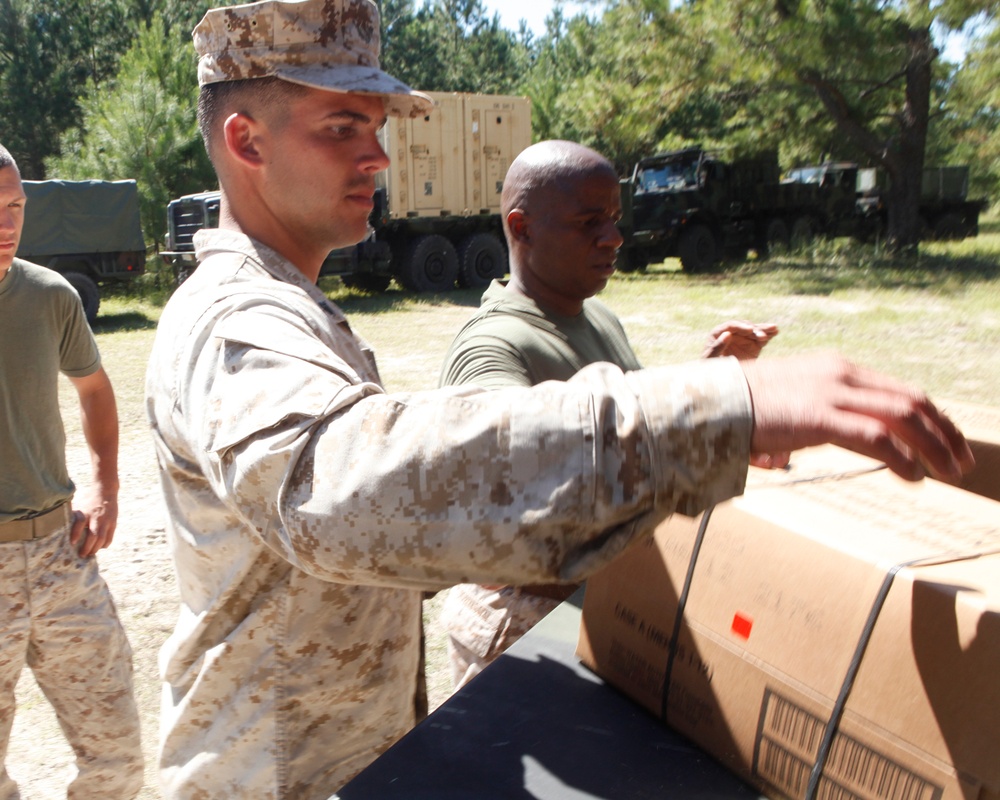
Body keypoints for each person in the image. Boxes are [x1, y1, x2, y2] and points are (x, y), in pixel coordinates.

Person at [144, 1, 972, 798]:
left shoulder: (285, 304)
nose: (379, 159)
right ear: (246, 141)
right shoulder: (236, 321)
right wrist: (717, 407)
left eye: (378, 127)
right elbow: (338, 491)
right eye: (341, 128)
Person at [437, 139, 781, 689]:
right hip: (524, 625)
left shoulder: (596, 315)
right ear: (522, 228)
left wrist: (705, 378)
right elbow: (501, 503)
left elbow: (628, 421)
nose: (615, 237)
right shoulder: (493, 348)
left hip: (598, 601)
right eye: (590, 221)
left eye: (616, 218)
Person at [0, 144, 143, 800]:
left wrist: (105, 490)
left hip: (62, 556)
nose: (7, 225)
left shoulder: (50, 296)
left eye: (15, 209)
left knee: (117, 757)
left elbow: (94, 389)